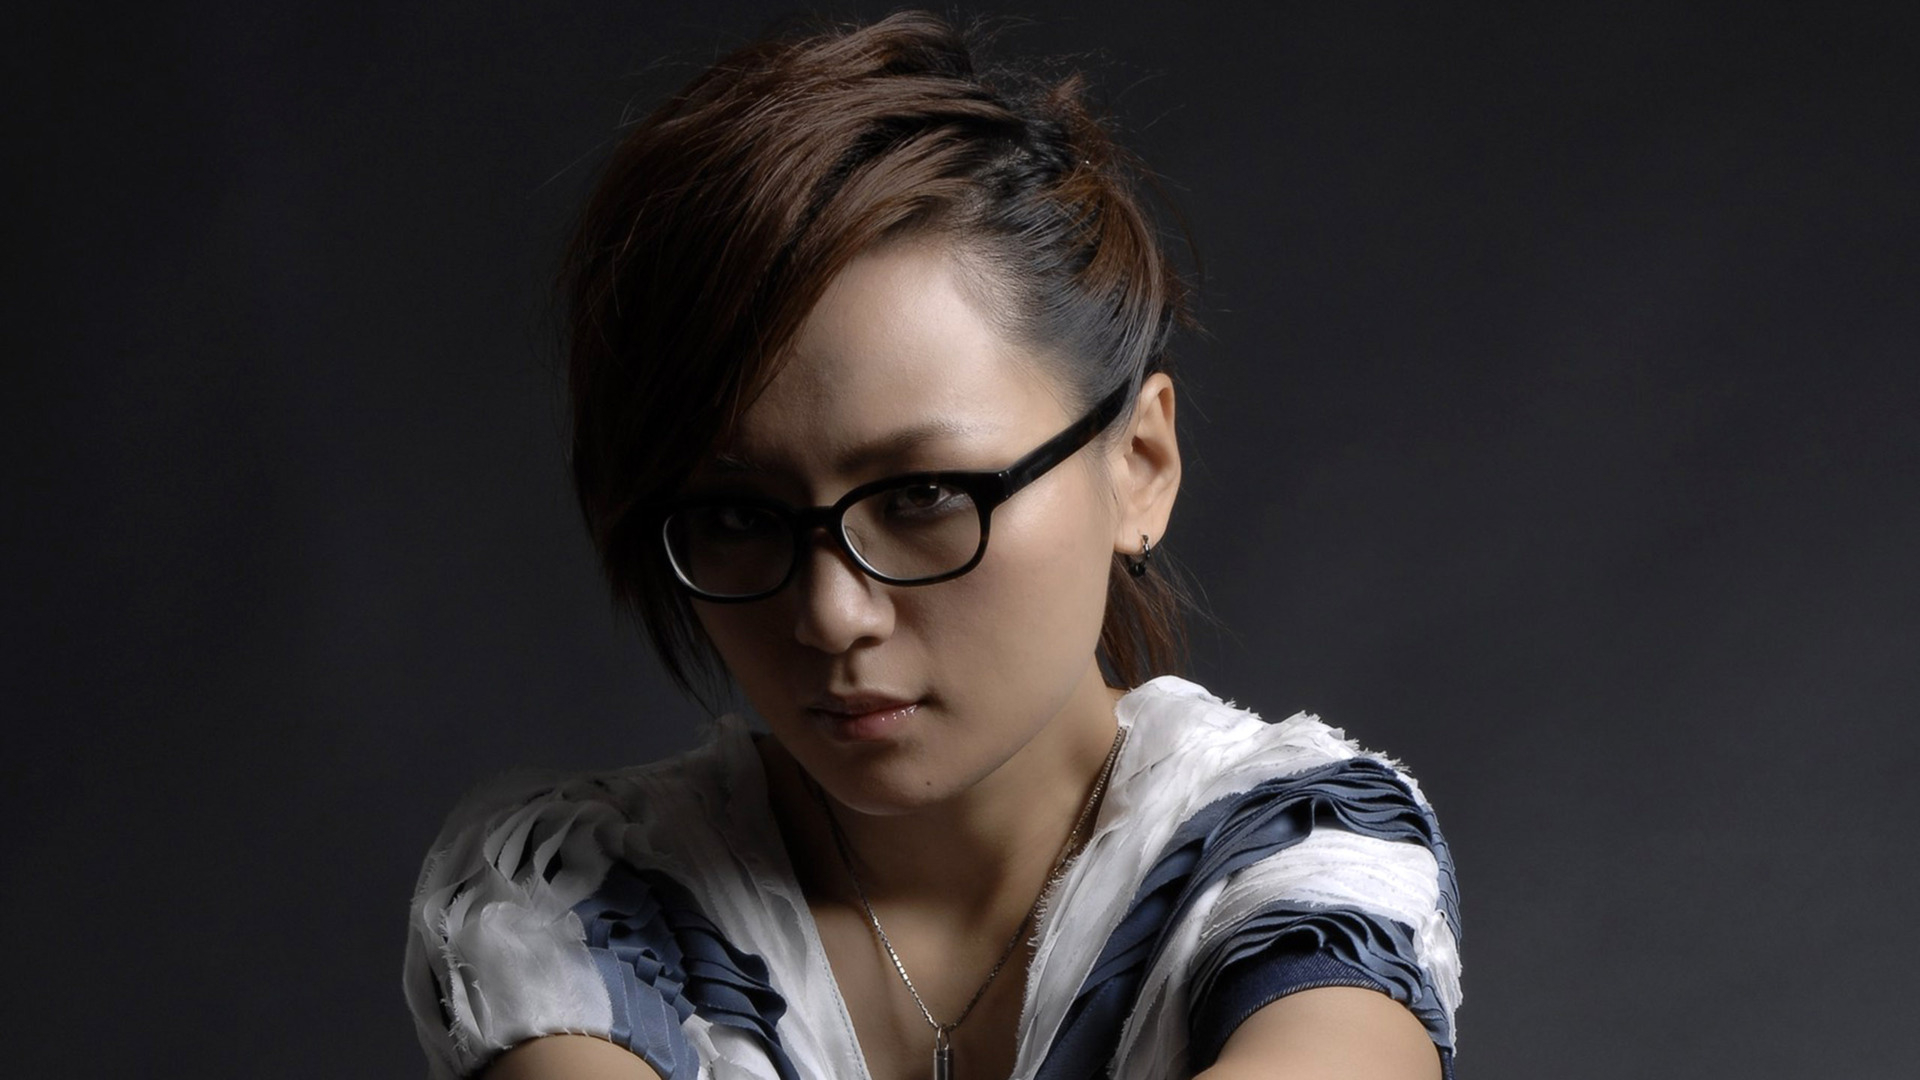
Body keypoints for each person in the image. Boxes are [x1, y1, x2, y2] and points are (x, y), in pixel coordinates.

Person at [403, 12, 1461, 1080]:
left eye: (924, 495)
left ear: (1139, 463)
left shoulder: (1303, 859)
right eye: (736, 517)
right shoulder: (574, 903)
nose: (830, 615)